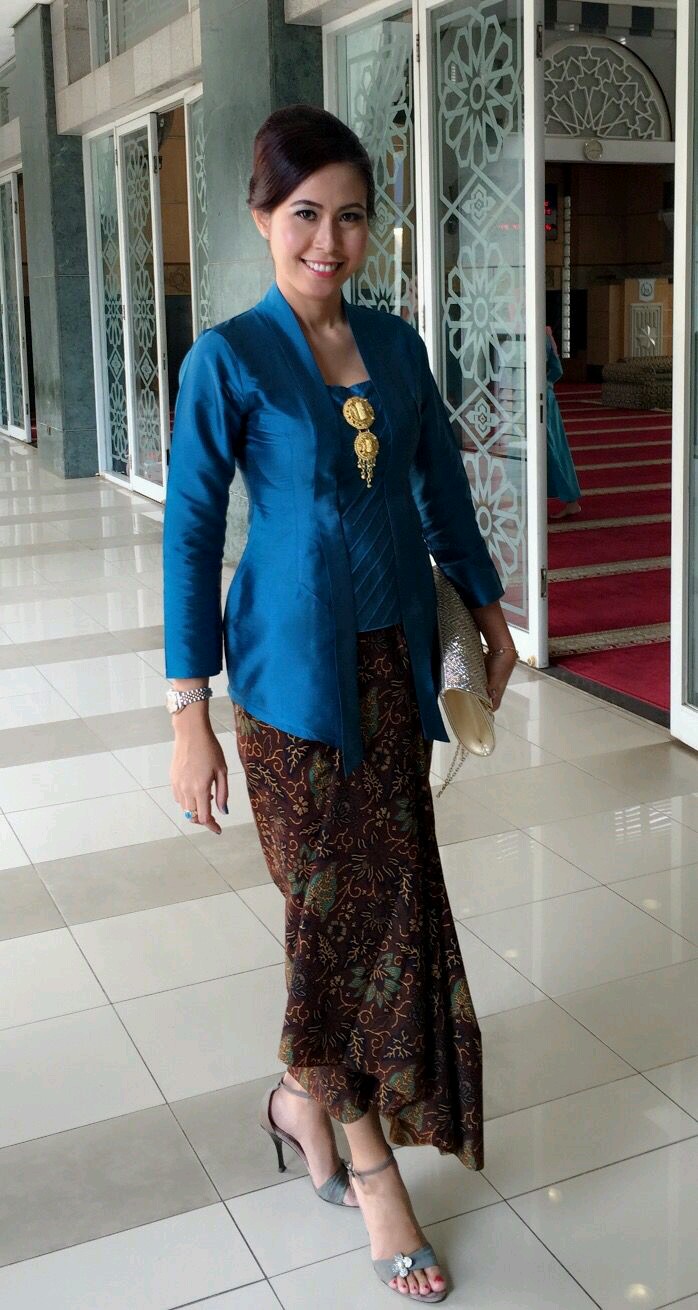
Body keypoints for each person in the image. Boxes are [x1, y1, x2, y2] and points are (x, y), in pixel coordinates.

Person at [163, 104, 516, 1303]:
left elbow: (440, 493)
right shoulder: (228, 359)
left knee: (386, 909)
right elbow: (190, 535)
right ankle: (372, 1171)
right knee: (328, 924)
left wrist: (488, 610)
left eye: (350, 215)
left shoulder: (398, 347)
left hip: (390, 675)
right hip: (284, 689)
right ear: (262, 218)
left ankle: (296, 1099)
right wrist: (187, 713)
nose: (328, 240)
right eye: (304, 213)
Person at [546, 325, 582, 519]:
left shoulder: (529, 338)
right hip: (546, 396)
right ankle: (571, 500)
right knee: (555, 448)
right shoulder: (546, 336)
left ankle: (571, 499)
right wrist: (546, 384)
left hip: (536, 400)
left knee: (551, 450)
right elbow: (557, 370)